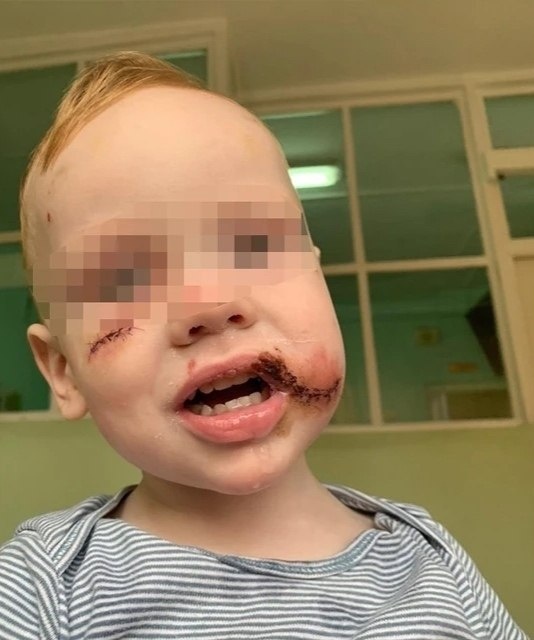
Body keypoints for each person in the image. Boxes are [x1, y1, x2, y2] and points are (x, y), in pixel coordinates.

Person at [0, 52, 527, 640]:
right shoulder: (41, 586)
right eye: (122, 277)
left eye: (253, 241)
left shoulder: (432, 565)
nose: (206, 304)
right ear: (63, 370)